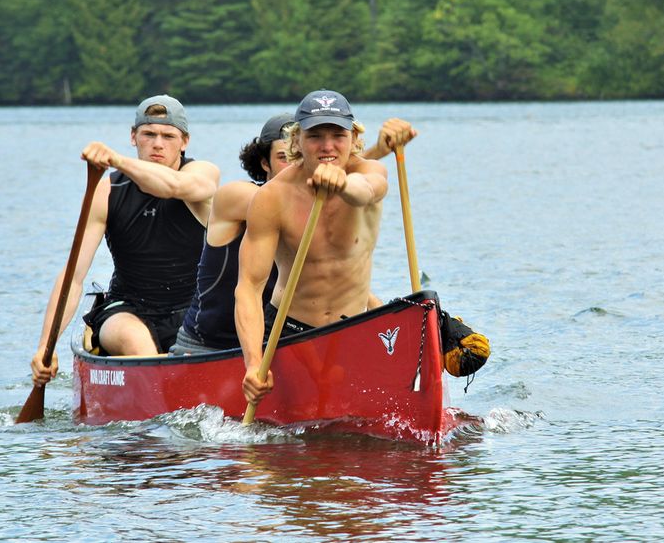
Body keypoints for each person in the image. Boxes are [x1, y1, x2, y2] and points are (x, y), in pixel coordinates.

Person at [170, 112, 417, 355]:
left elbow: (346, 187)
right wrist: (363, 156)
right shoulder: (247, 196)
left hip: (272, 333)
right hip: (207, 345)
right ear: (268, 161)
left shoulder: (325, 194)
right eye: (284, 156)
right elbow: (304, 196)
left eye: (336, 138)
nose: (295, 163)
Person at [234, 89, 416, 405]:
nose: (328, 145)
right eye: (316, 135)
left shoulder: (369, 172)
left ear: (354, 138)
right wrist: (252, 363)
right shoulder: (272, 197)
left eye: (337, 135)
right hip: (289, 330)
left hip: (354, 327)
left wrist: (342, 184)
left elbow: (367, 191)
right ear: (296, 142)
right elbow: (249, 287)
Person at [31, 95, 220, 387]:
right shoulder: (106, 191)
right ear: (133, 137)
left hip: (192, 307)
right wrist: (46, 346)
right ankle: (159, 405)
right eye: (148, 134)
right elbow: (74, 276)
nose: (158, 143)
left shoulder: (202, 174)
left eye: (168, 136)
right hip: (126, 308)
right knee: (137, 344)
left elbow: (173, 186)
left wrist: (117, 159)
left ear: (184, 142)